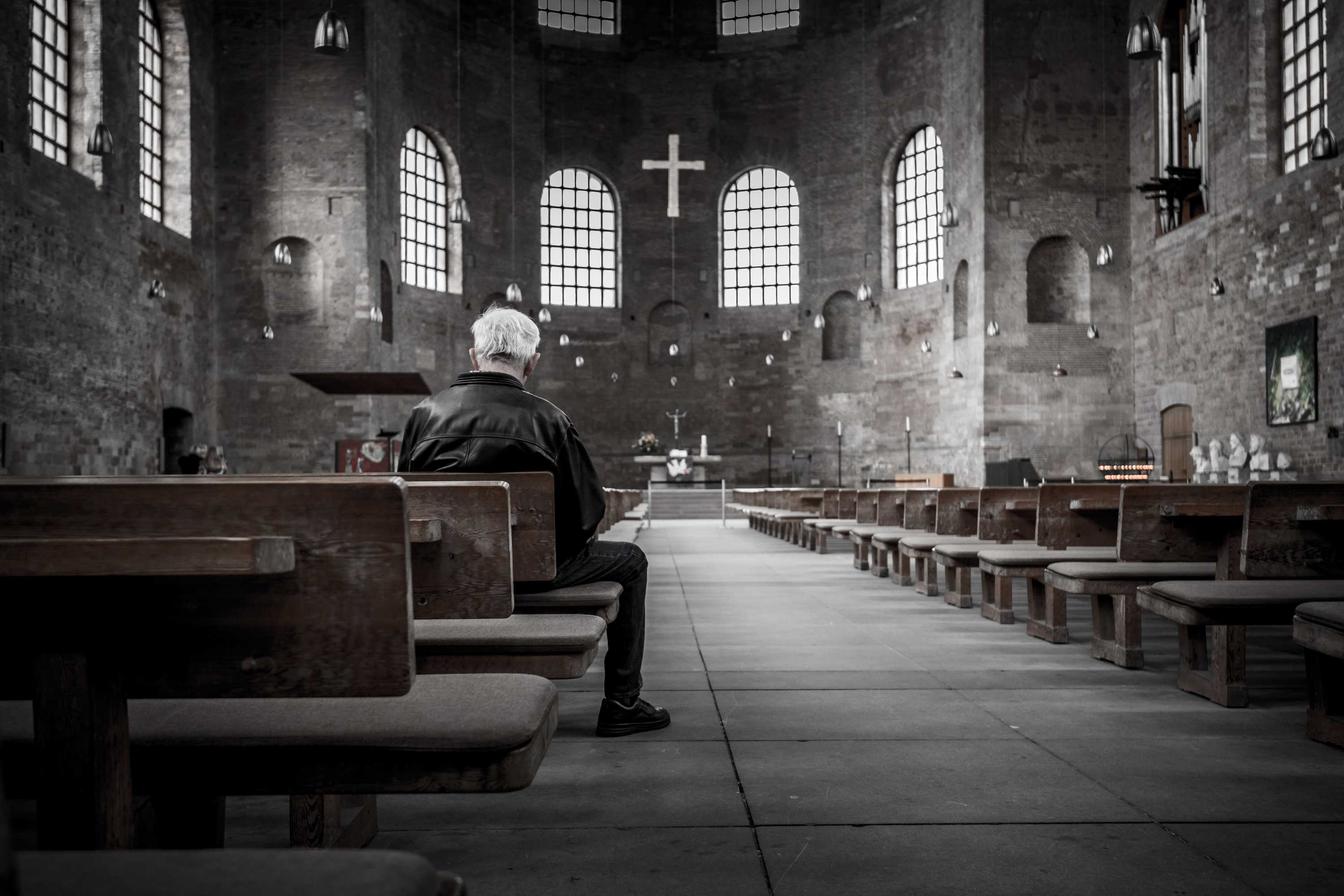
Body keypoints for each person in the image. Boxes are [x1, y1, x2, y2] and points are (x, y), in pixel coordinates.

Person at [396, 306, 671, 737]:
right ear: (532, 361)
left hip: (448, 576)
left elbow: (408, 504)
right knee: (632, 560)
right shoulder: (550, 419)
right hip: (537, 575)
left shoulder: (423, 416)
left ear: (473, 355)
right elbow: (588, 514)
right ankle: (623, 701)